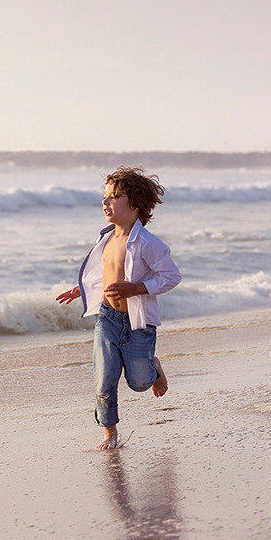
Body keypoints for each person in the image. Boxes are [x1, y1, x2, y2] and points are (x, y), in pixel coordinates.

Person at [56, 166, 181, 450]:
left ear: (135, 204)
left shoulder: (147, 243)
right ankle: (109, 432)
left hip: (138, 325)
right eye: (105, 196)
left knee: (138, 382)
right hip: (108, 318)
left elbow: (171, 276)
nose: (105, 202)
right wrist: (83, 290)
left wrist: (136, 288)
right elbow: (106, 274)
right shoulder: (106, 238)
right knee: (104, 378)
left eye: (114, 197)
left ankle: (154, 368)